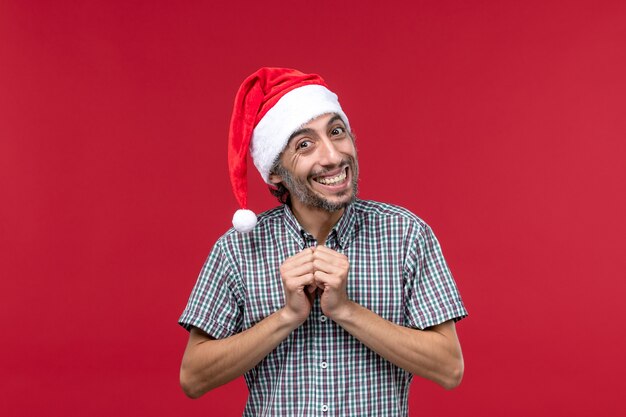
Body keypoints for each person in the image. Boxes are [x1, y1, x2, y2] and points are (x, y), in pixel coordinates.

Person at [178, 67, 468, 416]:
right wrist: (286, 317)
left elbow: (449, 368)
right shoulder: (237, 250)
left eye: (337, 131)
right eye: (305, 144)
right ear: (274, 171)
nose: (332, 156)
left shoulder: (406, 235)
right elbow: (193, 378)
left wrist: (346, 311)